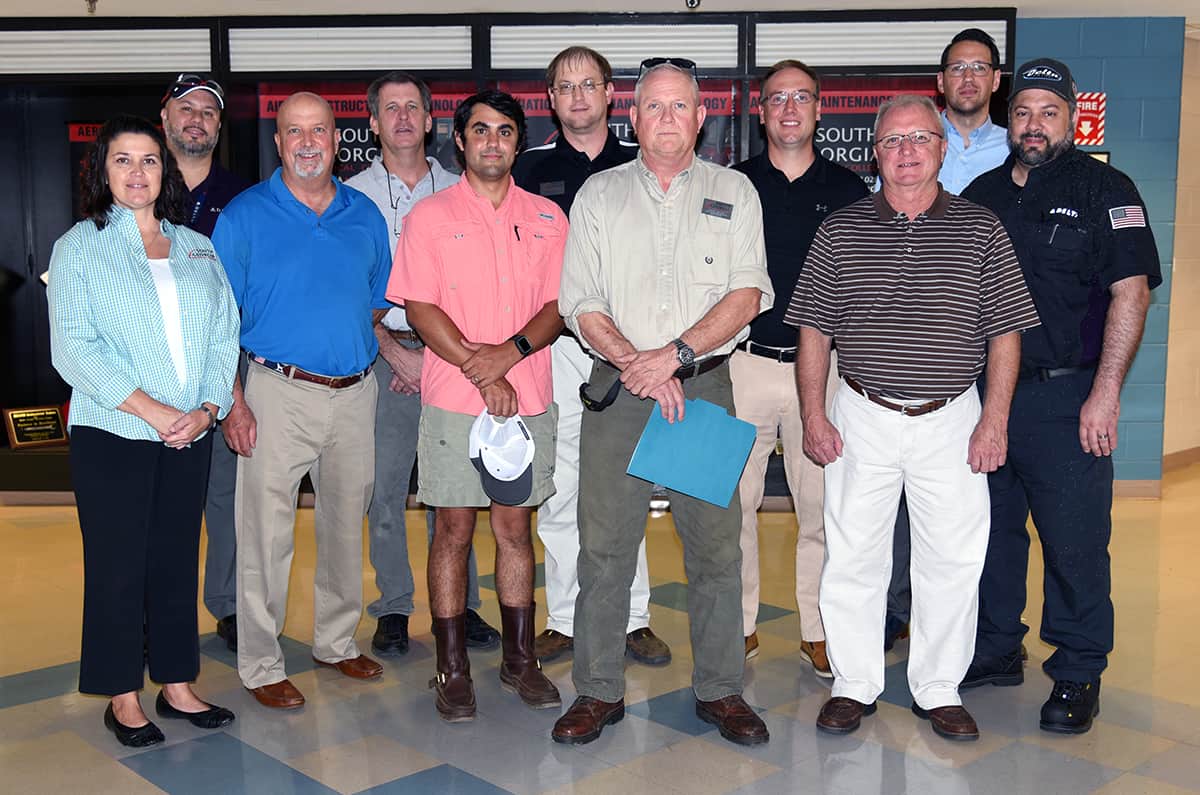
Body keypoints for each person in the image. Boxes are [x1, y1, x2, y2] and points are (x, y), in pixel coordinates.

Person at [790, 94, 1039, 741]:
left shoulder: (982, 228)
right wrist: (813, 412)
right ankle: (854, 682)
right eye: (893, 140)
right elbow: (815, 329)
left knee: (952, 558)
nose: (906, 152)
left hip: (952, 415)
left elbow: (1005, 333)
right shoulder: (840, 229)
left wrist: (996, 421)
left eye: (919, 139)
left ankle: (938, 686)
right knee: (853, 554)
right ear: (876, 151)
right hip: (862, 412)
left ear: (942, 148)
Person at [554, 58, 773, 747]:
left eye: (681, 107)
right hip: (617, 391)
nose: (668, 119)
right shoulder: (598, 195)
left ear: (701, 117)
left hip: (702, 387)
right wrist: (637, 362)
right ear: (633, 116)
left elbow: (747, 294)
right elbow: (579, 302)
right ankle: (596, 690)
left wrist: (672, 357)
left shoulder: (735, 191)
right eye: (655, 107)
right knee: (605, 548)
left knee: (715, 548)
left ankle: (721, 690)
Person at [961, 59, 1161, 734]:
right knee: (990, 534)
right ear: (1007, 118)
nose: (1034, 124)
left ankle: (1078, 668)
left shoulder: (1107, 188)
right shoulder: (984, 195)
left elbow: (1131, 294)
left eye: (1048, 112)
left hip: (1065, 400)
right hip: (990, 399)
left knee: (1073, 542)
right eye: (1022, 112)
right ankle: (995, 647)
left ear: (1071, 117)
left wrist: (1105, 394)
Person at [47, 114, 239, 746]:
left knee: (176, 560)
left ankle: (178, 683)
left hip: (190, 432)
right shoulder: (81, 245)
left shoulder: (195, 246)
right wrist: (152, 411)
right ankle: (123, 694)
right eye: (123, 161)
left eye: (149, 160)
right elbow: (73, 349)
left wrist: (209, 409)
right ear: (102, 171)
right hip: (114, 431)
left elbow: (222, 332)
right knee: (118, 565)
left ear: (166, 171)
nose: (137, 172)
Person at [388, 90, 566, 722]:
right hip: (452, 400)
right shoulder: (430, 217)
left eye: (506, 132)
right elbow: (418, 305)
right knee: (454, 530)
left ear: (519, 142)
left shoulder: (548, 217)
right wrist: (477, 365)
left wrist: (507, 356)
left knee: (515, 529)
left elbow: (556, 307)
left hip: (528, 394)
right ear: (459, 141)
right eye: (481, 131)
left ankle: (520, 661)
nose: (493, 142)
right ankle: (452, 666)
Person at [212, 92, 390, 709]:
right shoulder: (244, 216)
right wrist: (233, 401)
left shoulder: (364, 214)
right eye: (295, 132)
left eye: (319, 130)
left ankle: (336, 643)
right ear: (279, 142)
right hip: (272, 393)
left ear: (337, 139)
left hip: (353, 394)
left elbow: (374, 300)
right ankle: (261, 664)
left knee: (346, 527)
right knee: (264, 535)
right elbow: (219, 318)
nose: (308, 142)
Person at [512, 45, 669, 667]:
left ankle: (632, 618)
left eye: (589, 85)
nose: (577, 96)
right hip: (556, 347)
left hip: (627, 351)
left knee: (627, 484)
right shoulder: (526, 170)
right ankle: (566, 618)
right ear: (550, 99)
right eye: (564, 86)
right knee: (559, 487)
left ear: (611, 95)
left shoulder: (644, 163)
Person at [345, 71, 499, 658]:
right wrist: (393, 351)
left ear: (432, 120)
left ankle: (460, 606)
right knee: (386, 489)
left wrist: (439, 353)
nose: (403, 117)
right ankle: (392, 605)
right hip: (383, 356)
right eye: (391, 108)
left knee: (456, 488)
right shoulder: (352, 198)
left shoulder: (463, 190)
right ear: (374, 122)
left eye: (413, 107)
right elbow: (349, 291)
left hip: (454, 356)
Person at [731, 59, 868, 670]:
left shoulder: (848, 191)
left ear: (819, 110)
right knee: (731, 506)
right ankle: (737, 625)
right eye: (777, 98)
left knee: (822, 509)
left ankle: (818, 626)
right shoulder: (732, 185)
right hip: (743, 366)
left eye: (802, 98)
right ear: (760, 111)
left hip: (825, 374)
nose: (790, 108)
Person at [884, 28, 1011, 651]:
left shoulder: (1017, 152)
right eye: (956, 67)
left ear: (995, 78)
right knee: (895, 509)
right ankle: (896, 611)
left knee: (970, 518)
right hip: (905, 363)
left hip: (980, 344)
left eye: (979, 67)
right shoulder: (897, 168)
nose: (967, 78)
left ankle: (976, 641)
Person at [159, 72, 253, 652]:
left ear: (220, 126)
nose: (197, 119)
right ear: (164, 116)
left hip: (223, 365)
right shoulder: (136, 185)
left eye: (209, 112)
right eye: (185, 107)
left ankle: (226, 604)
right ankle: (156, 610)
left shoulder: (243, 199)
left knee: (226, 493)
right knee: (160, 499)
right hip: (150, 369)